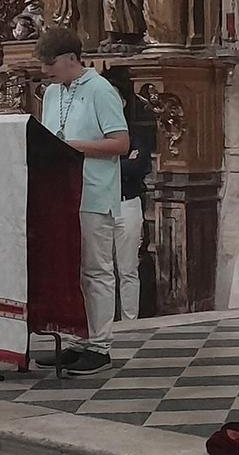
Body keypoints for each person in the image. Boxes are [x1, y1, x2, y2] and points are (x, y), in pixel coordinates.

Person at [35, 29, 131, 373]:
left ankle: (100, 345)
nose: (47, 71)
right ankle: (76, 338)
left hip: (93, 192)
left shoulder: (101, 90)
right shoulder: (50, 93)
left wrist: (74, 147)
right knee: (70, 271)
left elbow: (120, 143)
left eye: (51, 63)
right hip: (62, 194)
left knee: (96, 270)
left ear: (71, 59)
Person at [103, 66, 157, 321]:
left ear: (123, 102)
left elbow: (140, 166)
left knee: (128, 269)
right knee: (101, 270)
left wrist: (108, 164)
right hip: (100, 205)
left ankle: (130, 321)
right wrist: (120, 164)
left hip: (128, 204)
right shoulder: (91, 133)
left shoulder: (134, 133)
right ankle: (103, 321)